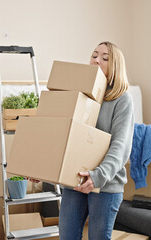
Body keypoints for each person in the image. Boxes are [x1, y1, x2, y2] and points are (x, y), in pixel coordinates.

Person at [58, 41, 135, 240]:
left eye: (104, 58)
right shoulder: (79, 93)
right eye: (94, 55)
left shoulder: (123, 100)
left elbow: (120, 146)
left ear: (115, 65)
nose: (96, 60)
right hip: (75, 179)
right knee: (67, 236)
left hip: (106, 184)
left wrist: (98, 176)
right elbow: (64, 134)